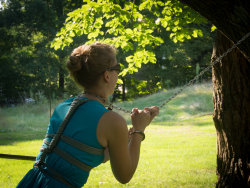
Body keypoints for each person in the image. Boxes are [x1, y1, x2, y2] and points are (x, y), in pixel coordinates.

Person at [17, 42, 159, 188]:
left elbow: (85, 156)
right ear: (107, 76)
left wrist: (122, 141)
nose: (118, 73)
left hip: (32, 181)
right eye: (117, 68)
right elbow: (124, 176)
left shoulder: (63, 107)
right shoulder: (112, 121)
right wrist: (138, 131)